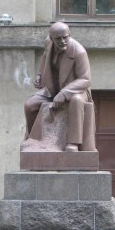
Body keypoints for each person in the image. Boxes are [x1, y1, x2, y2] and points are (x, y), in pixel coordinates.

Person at [24, 22, 92, 152]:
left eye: (65, 37)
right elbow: (44, 58)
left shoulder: (79, 52)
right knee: (30, 104)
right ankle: (33, 138)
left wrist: (64, 93)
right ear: (51, 38)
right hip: (53, 89)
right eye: (58, 38)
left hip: (76, 90)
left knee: (76, 100)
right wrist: (39, 74)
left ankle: (73, 143)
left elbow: (85, 79)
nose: (62, 41)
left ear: (69, 35)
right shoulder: (48, 44)